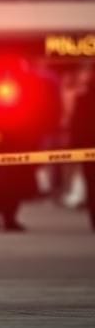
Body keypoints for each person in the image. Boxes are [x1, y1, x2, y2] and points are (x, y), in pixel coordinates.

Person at [71, 68, 95, 231]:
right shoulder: (82, 98)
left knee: (92, 185)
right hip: (87, 148)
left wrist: (75, 150)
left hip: (88, 150)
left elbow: (76, 126)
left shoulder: (83, 99)